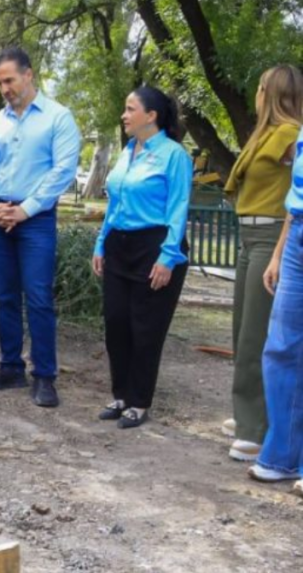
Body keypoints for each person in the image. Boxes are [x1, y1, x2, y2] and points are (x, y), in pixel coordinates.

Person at [0, 47, 81, 407]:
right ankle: (10, 368)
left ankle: (45, 376)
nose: (4, 88)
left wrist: (26, 210)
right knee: (4, 296)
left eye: (10, 80)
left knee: (38, 297)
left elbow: (62, 172)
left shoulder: (58, 118)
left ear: (29, 75)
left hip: (35, 220)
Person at [91, 86, 191, 429]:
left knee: (145, 328)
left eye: (130, 108)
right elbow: (115, 202)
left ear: (151, 116)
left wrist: (168, 256)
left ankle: (139, 401)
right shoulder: (128, 150)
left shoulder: (174, 155)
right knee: (116, 323)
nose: (124, 115)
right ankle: (120, 395)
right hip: (119, 245)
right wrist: (101, 243)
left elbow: (178, 207)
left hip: (155, 246)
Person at [222, 65, 303, 460]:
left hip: (271, 236)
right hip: (248, 235)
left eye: (259, 88)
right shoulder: (264, 135)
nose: (254, 93)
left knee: (257, 334)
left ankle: (257, 429)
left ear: (270, 93)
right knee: (243, 330)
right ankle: (249, 414)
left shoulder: (290, 135)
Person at [247, 125, 303, 495]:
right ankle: (281, 456)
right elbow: (295, 195)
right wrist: (279, 253)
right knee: (280, 348)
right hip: (298, 235)